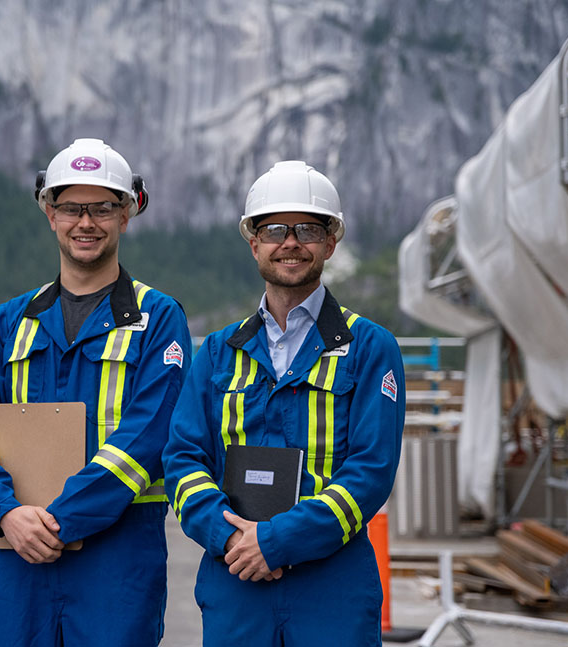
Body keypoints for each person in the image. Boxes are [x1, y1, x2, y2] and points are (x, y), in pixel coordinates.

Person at [0, 138, 192, 646]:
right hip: (14, 553)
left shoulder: (158, 320)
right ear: (49, 214)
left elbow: (147, 436)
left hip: (116, 557)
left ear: (127, 214)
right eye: (70, 208)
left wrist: (56, 520)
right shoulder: (9, 322)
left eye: (103, 207)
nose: (86, 222)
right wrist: (6, 512)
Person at [163, 160, 405, 646]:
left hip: (331, 588)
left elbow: (370, 473)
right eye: (274, 228)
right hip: (237, 583)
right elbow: (183, 459)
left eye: (308, 229)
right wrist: (230, 538)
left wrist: (276, 542)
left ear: (331, 242)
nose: (290, 242)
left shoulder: (370, 348)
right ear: (253, 242)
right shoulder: (216, 353)